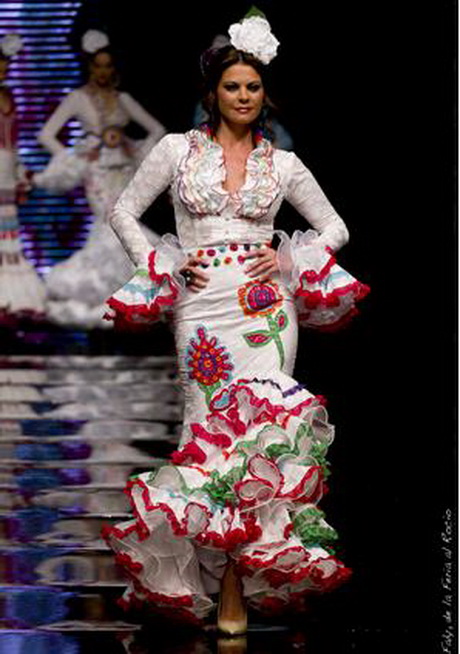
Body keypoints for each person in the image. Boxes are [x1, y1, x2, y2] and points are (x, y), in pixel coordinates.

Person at [102, 13, 369, 635]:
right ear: (213, 93)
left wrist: (288, 256)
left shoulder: (286, 164)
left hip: (265, 310)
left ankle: (235, 589)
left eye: (252, 87)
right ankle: (202, 577)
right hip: (200, 310)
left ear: (263, 93)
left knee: (264, 438)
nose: (243, 96)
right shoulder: (175, 149)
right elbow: (123, 211)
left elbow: (335, 228)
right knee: (205, 433)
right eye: (232, 87)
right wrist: (163, 264)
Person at [33, 29, 166, 328]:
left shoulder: (123, 98)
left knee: (127, 221)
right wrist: (77, 156)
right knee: (107, 225)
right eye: (98, 65)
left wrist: (133, 149)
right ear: (90, 67)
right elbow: (46, 135)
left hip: (123, 169)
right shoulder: (77, 98)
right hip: (96, 172)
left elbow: (156, 130)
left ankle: (131, 299)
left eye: (108, 66)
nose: (103, 71)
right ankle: (109, 298)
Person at [0, 33, 46, 322]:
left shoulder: (9, 95)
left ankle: (9, 299)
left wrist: (20, 175)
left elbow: (13, 144)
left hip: (6, 170)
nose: (3, 71)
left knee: (8, 238)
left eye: (6, 66)